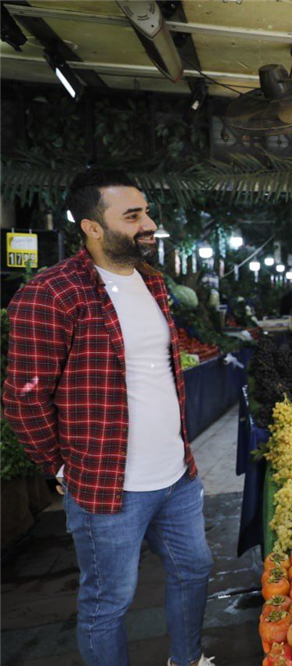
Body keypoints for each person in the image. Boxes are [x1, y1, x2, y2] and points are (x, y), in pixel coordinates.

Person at [2, 170, 214, 666]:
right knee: (108, 603)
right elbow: (24, 397)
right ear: (92, 227)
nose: (149, 224)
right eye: (133, 215)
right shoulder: (51, 293)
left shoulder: (152, 283)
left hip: (176, 476)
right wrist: (59, 468)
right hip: (107, 486)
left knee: (195, 570)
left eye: (147, 212)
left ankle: (187, 659)